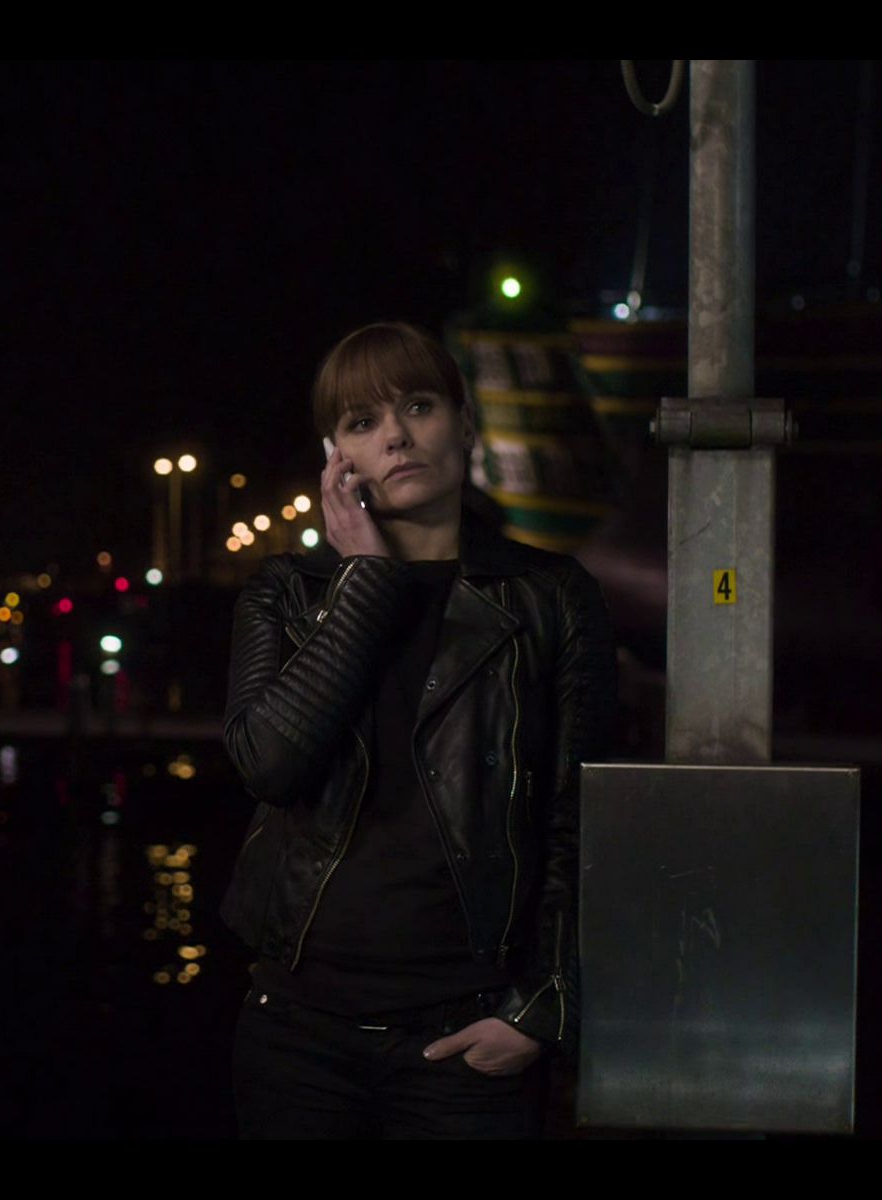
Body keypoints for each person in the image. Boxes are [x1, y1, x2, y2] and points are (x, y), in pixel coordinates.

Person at [218, 320, 619, 1139]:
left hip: (468, 1040)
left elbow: (578, 816)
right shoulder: (286, 593)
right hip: (296, 1034)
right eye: (363, 421)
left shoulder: (549, 596)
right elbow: (269, 766)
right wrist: (366, 581)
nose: (396, 435)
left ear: (464, 424)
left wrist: (540, 1008)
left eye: (420, 406)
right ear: (337, 458)